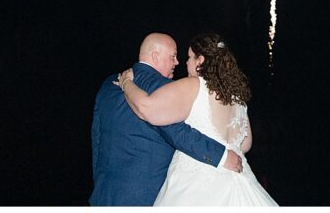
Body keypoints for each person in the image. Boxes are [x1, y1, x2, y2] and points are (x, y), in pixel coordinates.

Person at [117, 33, 277, 206]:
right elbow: (245, 144)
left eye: (189, 57)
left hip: (197, 184)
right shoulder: (237, 97)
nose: (184, 63)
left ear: (200, 61)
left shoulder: (195, 85)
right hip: (240, 181)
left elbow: (147, 109)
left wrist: (127, 84)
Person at [90, 32, 243, 206]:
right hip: (146, 196)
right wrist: (221, 156)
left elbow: (97, 138)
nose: (177, 62)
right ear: (155, 56)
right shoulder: (167, 89)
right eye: (173, 56)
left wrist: (99, 183)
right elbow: (178, 133)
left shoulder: (109, 84)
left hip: (104, 194)